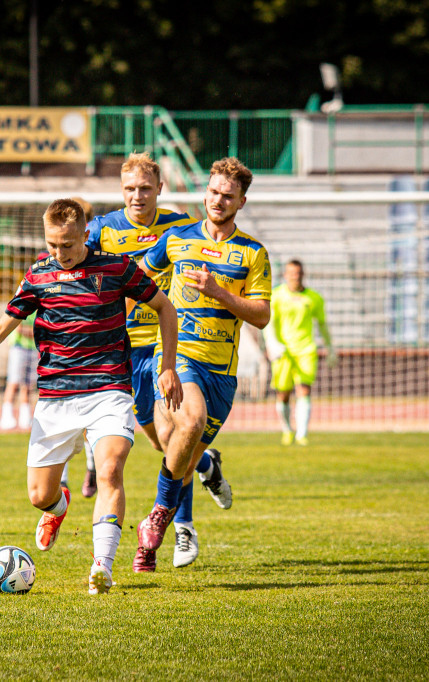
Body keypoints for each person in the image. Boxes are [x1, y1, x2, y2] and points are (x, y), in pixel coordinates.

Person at [0, 198, 182, 594]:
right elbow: (2, 328)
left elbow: (165, 308)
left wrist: (168, 367)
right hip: (56, 397)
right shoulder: (38, 274)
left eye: (68, 245)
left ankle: (102, 568)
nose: (60, 253)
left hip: (108, 389)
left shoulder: (116, 268)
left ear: (85, 234)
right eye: (53, 244)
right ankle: (59, 506)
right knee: (39, 495)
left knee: (110, 470)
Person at [132, 157, 272, 572]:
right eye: (213, 192)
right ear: (205, 193)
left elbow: (262, 315)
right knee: (189, 424)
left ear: (241, 202)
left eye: (228, 196)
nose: (218, 200)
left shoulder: (253, 253)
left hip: (222, 373)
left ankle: (153, 536)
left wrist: (220, 293)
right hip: (177, 356)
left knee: (186, 460)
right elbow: (136, 278)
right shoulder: (177, 239)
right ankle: (159, 518)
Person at [83, 153, 212, 507]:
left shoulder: (180, 225)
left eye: (144, 188)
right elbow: (79, 273)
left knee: (174, 433)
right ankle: (205, 461)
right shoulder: (101, 229)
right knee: (158, 441)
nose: (136, 196)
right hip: (124, 349)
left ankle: (182, 527)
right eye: (129, 189)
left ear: (159, 188)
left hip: (166, 345)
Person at [264, 259, 336, 446]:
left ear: (303, 274)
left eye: (298, 273)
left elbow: (322, 324)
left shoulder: (314, 298)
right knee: (283, 393)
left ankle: (302, 434)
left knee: (304, 389)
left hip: (305, 350)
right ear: (285, 275)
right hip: (283, 351)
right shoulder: (277, 295)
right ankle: (287, 430)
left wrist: (330, 348)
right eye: (291, 273)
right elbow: (268, 322)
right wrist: (272, 344)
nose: (295, 276)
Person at [0, 311, 38, 430]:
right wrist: (36, 332)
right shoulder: (22, 306)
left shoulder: (38, 309)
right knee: (13, 382)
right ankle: (6, 416)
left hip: (33, 348)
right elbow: (19, 328)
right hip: (19, 348)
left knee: (28, 385)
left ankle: (25, 417)